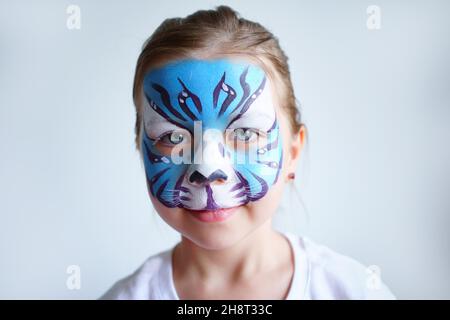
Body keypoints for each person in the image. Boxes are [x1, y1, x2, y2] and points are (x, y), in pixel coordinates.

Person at [101, 5, 396, 300]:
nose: (207, 169)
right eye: (173, 137)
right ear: (141, 151)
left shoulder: (355, 291)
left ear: (293, 151)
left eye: (245, 133)